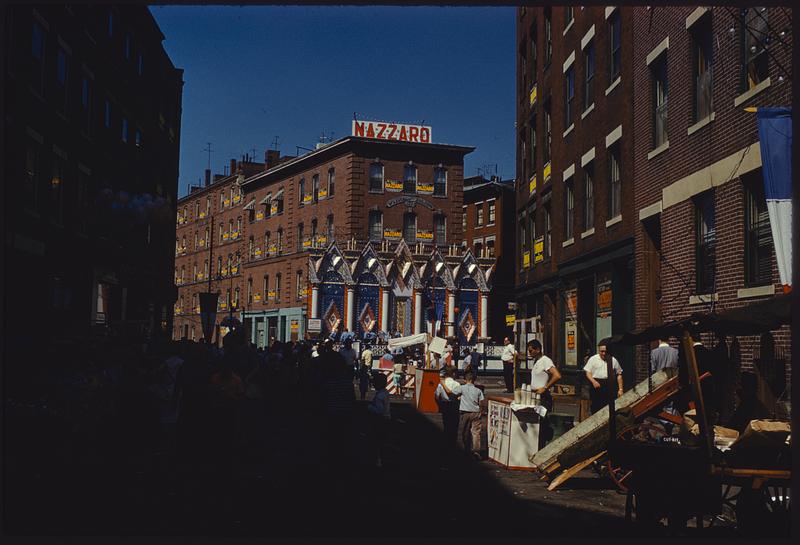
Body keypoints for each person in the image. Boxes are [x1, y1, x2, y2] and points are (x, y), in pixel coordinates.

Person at [527, 339, 561, 448]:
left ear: (538, 350)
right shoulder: (536, 361)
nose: (529, 353)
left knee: (542, 423)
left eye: (531, 350)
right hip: (534, 396)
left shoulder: (546, 360)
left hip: (543, 397)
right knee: (536, 423)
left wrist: (545, 387)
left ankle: (542, 447)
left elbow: (557, 375)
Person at [583, 344, 623, 414]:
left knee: (608, 406)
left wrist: (620, 389)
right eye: (602, 351)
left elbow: (619, 374)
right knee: (595, 406)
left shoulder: (613, 360)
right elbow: (588, 372)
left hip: (608, 384)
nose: (604, 353)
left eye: (605, 351)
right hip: (596, 384)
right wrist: (593, 381)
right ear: (599, 351)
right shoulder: (593, 359)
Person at [458, 371, 485, 460]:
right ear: (474, 380)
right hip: (476, 412)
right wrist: (481, 411)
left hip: (465, 412)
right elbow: (481, 402)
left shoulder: (461, 388)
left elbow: (453, 393)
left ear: (465, 380)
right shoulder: (478, 390)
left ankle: (466, 449)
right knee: (476, 432)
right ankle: (476, 451)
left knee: (465, 431)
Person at [366, 372, 391, 467]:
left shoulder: (380, 396)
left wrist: (369, 407)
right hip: (386, 419)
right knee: (383, 440)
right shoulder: (385, 393)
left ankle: (378, 459)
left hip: (380, 420)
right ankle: (381, 458)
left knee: (377, 440)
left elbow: (379, 410)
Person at [434, 366, 461, 447]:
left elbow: (436, 395)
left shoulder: (441, 384)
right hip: (454, 405)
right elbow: (459, 396)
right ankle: (453, 443)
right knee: (454, 425)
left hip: (444, 405)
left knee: (446, 424)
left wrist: (440, 404)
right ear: (453, 374)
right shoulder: (456, 384)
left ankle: (446, 443)